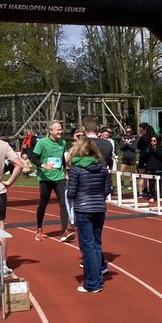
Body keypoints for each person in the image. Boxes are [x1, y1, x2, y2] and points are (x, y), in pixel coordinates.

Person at [67, 134, 112, 293]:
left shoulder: (76, 169)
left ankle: (92, 283)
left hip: (83, 208)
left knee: (87, 246)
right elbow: (107, 189)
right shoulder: (102, 166)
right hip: (99, 208)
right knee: (96, 243)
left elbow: (71, 193)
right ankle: (97, 277)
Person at [32, 119, 73, 242]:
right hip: (45, 178)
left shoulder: (63, 142)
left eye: (61, 129)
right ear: (51, 131)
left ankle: (65, 230)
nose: (61, 131)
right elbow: (33, 158)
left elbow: (62, 158)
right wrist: (43, 165)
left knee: (63, 203)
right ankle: (39, 228)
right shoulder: (42, 143)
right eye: (58, 129)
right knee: (43, 204)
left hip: (59, 177)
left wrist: (66, 172)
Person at [138, 132, 162, 201]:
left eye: (154, 140)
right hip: (150, 168)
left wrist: (155, 150)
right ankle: (152, 195)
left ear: (157, 141)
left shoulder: (160, 148)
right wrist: (148, 152)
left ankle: (160, 195)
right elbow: (143, 156)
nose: (153, 142)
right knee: (151, 183)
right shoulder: (148, 148)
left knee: (160, 183)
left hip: (159, 168)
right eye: (151, 140)